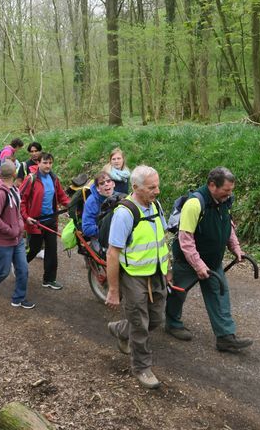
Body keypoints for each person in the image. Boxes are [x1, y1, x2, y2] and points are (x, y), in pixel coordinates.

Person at [165, 167, 253, 353]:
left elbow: (227, 225)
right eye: (226, 190)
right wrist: (198, 265)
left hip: (213, 261)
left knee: (219, 293)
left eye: (231, 190)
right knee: (178, 293)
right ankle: (172, 323)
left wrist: (235, 248)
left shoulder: (224, 200)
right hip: (187, 261)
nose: (230, 194)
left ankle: (225, 337)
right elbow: (185, 240)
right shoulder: (195, 204)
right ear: (212, 185)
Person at [105, 166, 170, 389]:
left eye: (157, 185)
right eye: (151, 187)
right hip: (134, 277)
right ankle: (142, 368)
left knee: (156, 319)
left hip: (156, 273)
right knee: (140, 325)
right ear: (135, 187)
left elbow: (161, 239)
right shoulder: (125, 213)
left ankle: (120, 329)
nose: (157, 191)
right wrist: (113, 290)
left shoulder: (156, 206)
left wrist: (167, 269)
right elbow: (112, 253)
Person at [0, 161, 35, 309]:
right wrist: (10, 230)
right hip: (2, 240)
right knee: (3, 271)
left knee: (23, 268)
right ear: (14, 173)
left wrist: (20, 226)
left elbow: (16, 211)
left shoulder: (14, 189)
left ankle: (18, 298)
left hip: (17, 238)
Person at [20, 152, 70, 290]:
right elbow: (21, 200)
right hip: (35, 222)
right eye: (45, 163)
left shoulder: (54, 178)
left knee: (52, 250)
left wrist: (71, 206)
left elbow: (61, 196)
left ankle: (49, 279)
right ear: (38, 163)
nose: (48, 166)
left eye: (50, 163)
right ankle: (18, 264)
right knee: (34, 249)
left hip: (51, 220)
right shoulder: (31, 179)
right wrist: (25, 217)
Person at [81, 171, 117, 248]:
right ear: (98, 188)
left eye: (108, 181)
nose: (106, 184)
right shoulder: (91, 202)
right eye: (102, 183)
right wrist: (107, 229)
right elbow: (87, 228)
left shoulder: (120, 197)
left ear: (113, 184)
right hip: (99, 236)